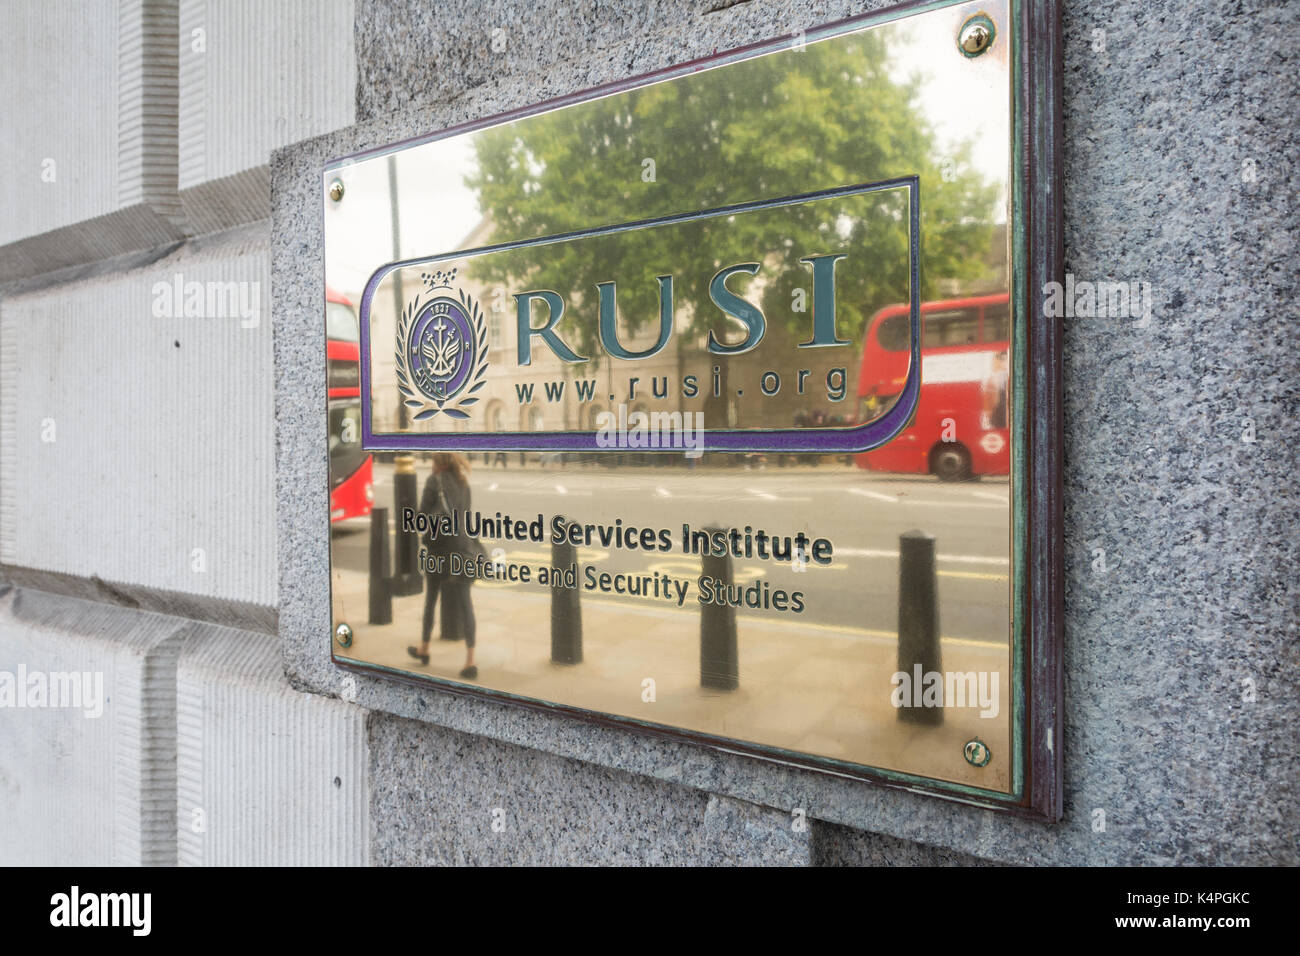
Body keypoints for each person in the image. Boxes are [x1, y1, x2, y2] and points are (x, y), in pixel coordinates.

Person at [407, 452, 482, 679]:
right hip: (462, 548)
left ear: (438, 463)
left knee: (431, 598)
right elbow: (466, 515)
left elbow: (421, 516)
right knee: (465, 601)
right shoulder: (463, 483)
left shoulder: (434, 481)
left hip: (439, 548)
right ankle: (470, 660)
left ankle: (424, 648)